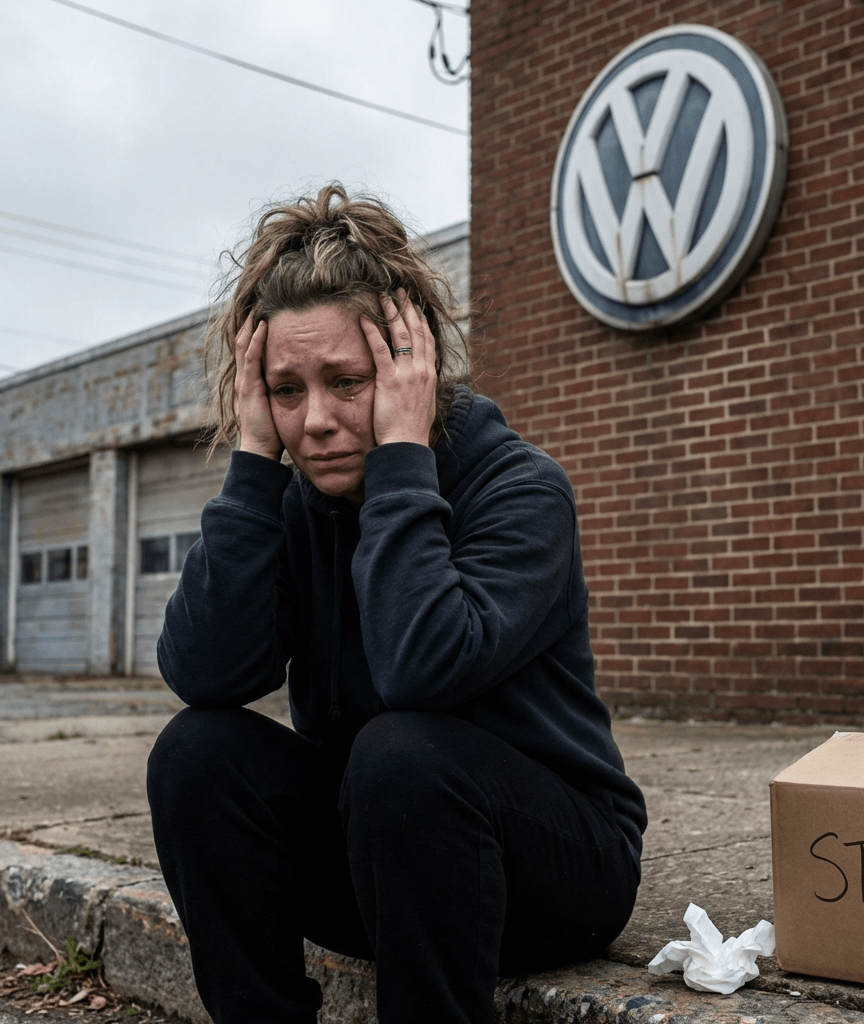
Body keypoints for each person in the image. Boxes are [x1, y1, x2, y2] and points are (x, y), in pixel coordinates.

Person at [146, 183, 647, 1024]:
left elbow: (424, 668)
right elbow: (205, 671)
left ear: (409, 368)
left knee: (402, 749)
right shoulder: (296, 500)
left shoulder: (520, 488)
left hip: (556, 872)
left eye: (346, 381)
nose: (316, 421)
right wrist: (251, 472)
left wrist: (403, 460)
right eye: (287, 390)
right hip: (385, 862)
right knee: (195, 752)